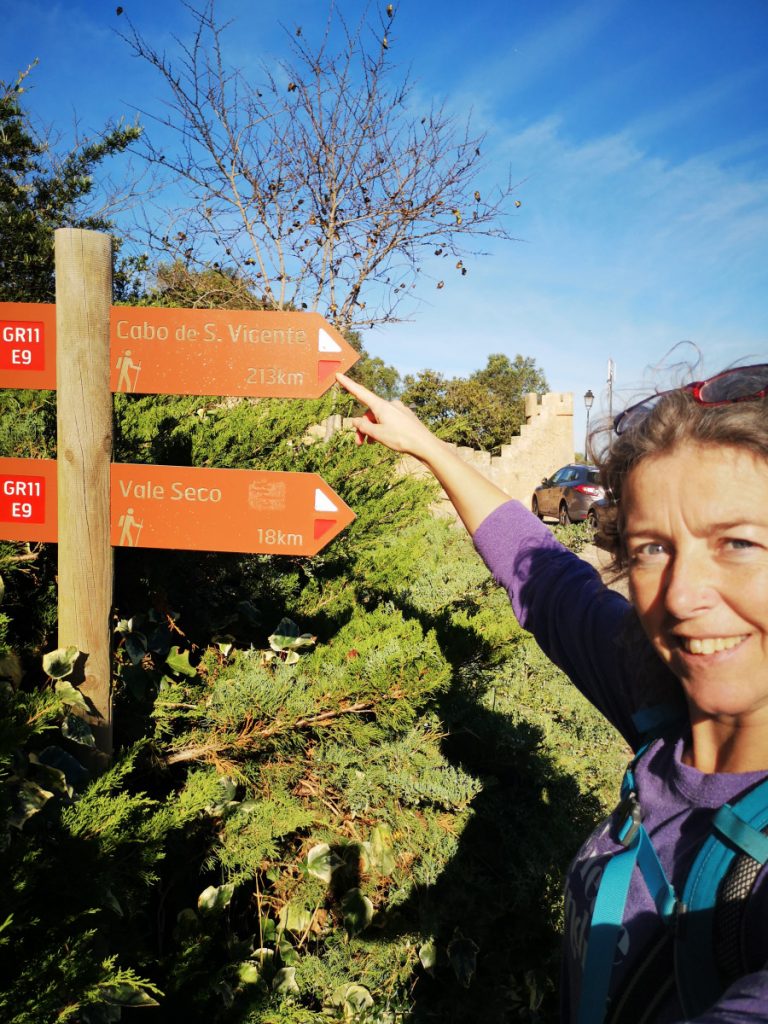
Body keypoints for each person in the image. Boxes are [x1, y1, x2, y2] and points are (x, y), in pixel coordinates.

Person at [335, 364, 768, 1024]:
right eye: (653, 548)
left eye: (738, 543)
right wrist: (427, 446)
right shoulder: (661, 697)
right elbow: (541, 575)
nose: (681, 596)